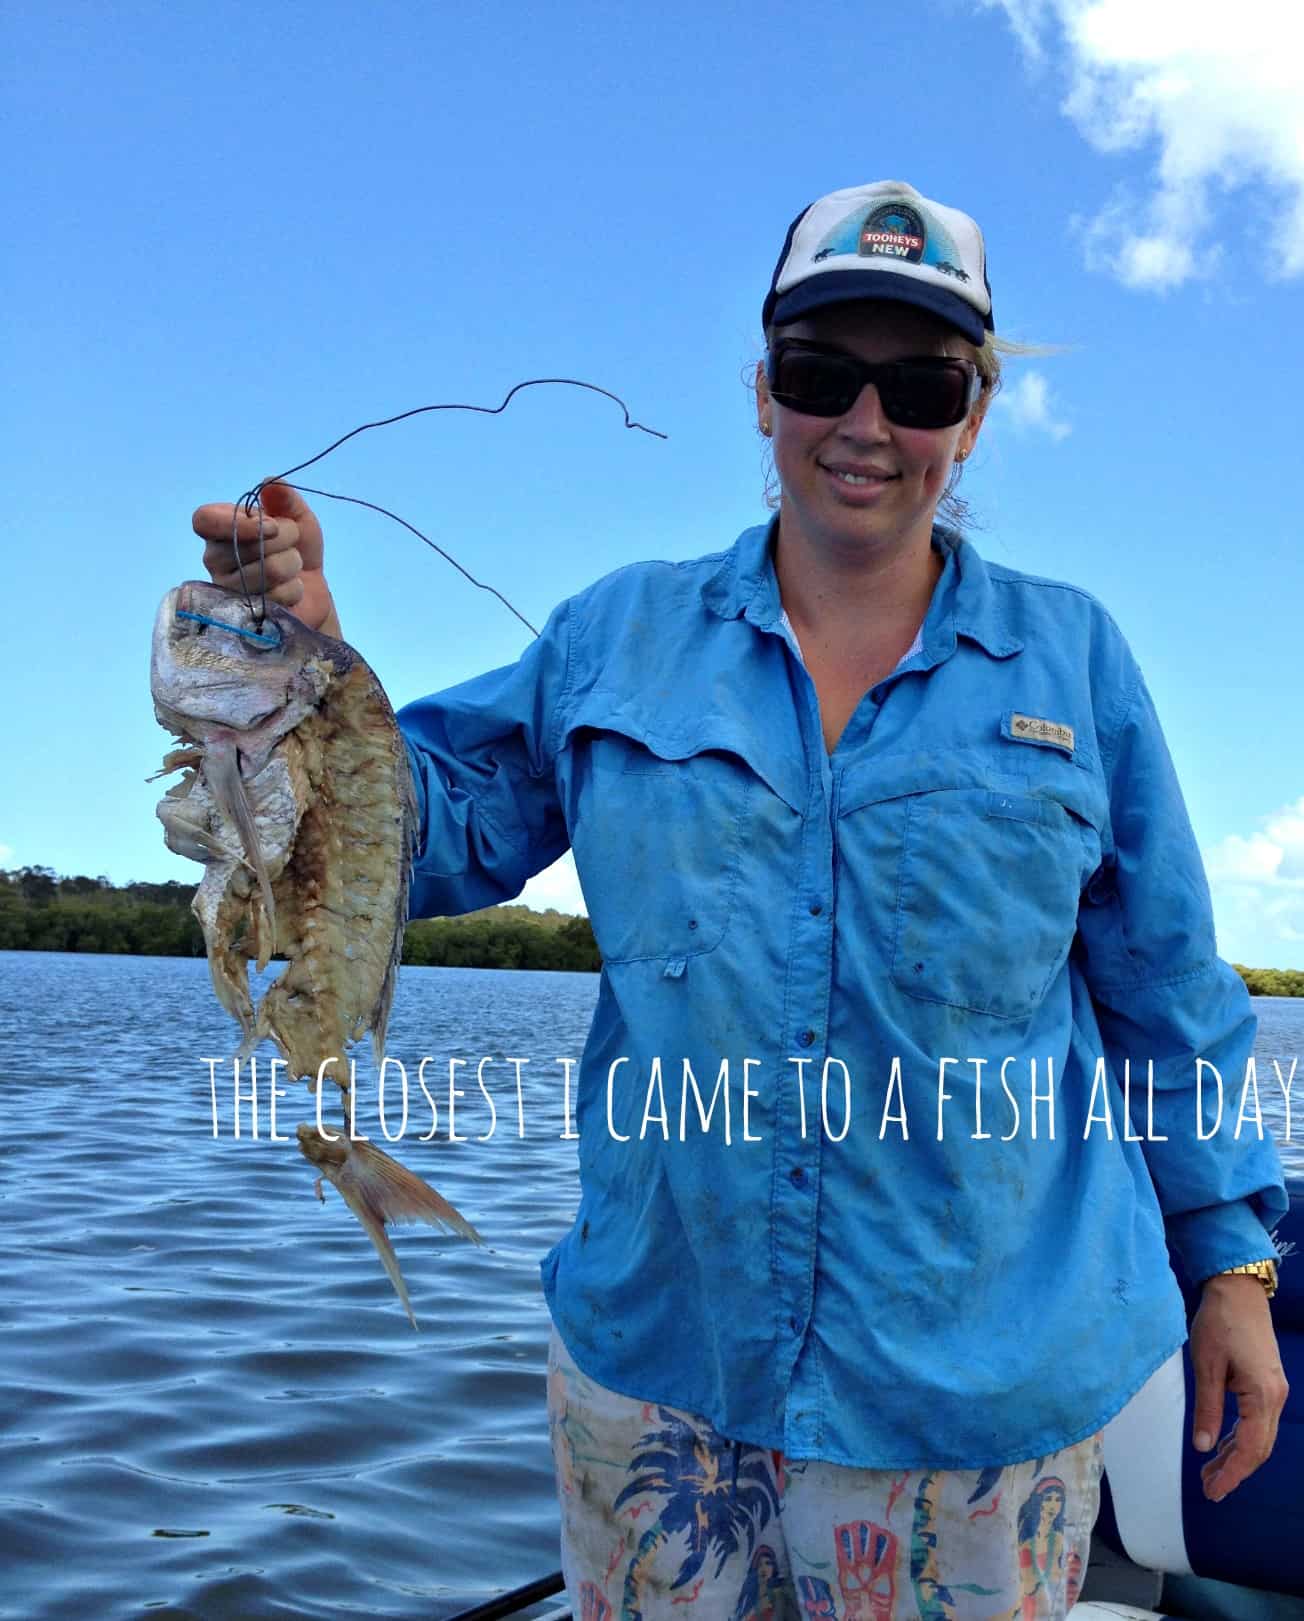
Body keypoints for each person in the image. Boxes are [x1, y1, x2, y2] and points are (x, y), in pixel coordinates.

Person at [194, 180, 1289, 1619]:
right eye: (822, 372)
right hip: (661, 1371)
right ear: (763, 391)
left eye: (921, 385)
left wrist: (1232, 1267)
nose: (867, 423)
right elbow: (423, 839)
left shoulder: (1074, 663)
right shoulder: (613, 636)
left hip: (975, 1394)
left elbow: (1168, 993)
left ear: (973, 415)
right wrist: (309, 677)